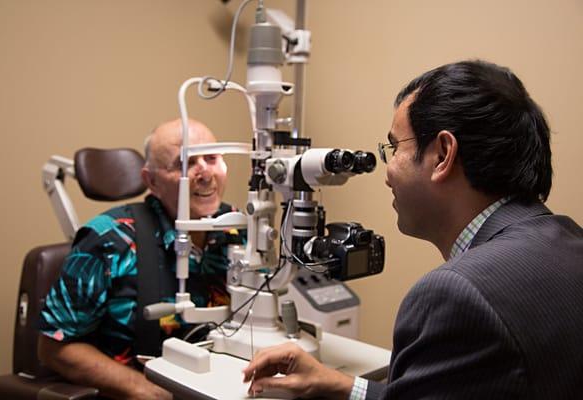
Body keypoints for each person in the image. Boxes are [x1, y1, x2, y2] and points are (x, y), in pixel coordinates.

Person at [242, 60, 583, 399]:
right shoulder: (569, 243)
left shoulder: (457, 294)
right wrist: (345, 386)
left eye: (393, 148)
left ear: (442, 155)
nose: (387, 171)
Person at [38, 118, 244, 400]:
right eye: (185, 164)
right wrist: (141, 389)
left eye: (212, 158)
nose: (205, 173)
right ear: (152, 181)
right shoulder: (110, 239)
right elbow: (53, 346)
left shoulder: (239, 229)